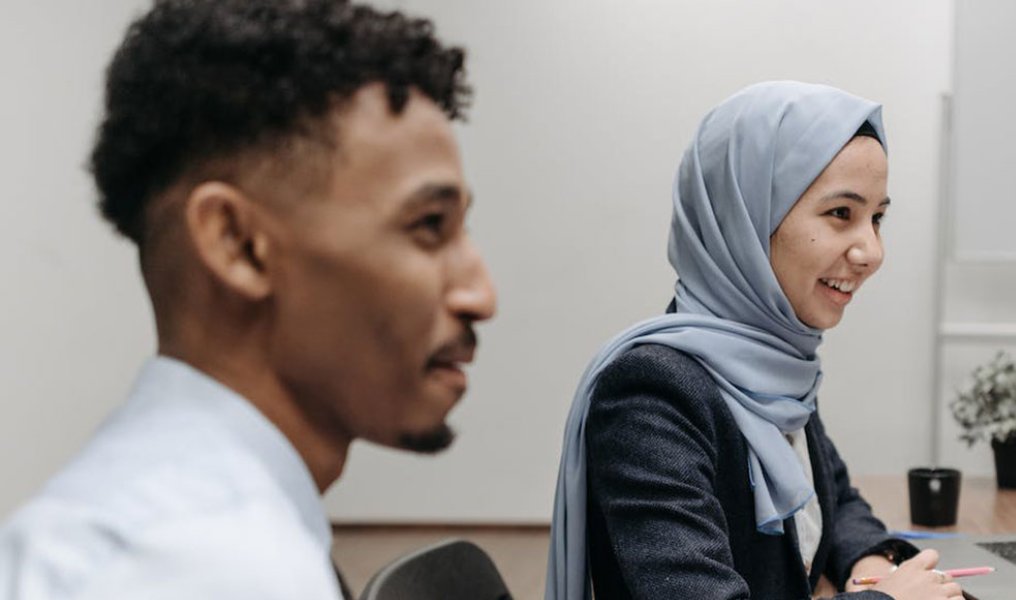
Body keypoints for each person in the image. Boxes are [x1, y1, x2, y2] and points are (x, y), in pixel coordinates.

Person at [0, 1, 495, 598]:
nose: (481, 295)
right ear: (239, 246)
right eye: (428, 226)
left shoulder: (187, 523)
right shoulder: (208, 563)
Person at [545, 82, 964, 600]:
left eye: (877, 218)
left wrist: (869, 560)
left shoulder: (775, 364)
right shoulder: (650, 395)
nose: (871, 251)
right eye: (842, 214)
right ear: (745, 218)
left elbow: (836, 495)